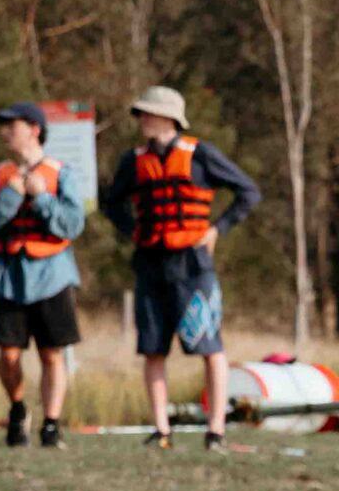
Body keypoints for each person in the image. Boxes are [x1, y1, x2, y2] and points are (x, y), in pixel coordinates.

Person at [99, 85, 258, 451]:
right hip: (150, 265)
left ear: (169, 118)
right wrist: (132, 230)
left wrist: (218, 229)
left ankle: (216, 431)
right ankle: (161, 431)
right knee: (153, 349)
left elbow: (248, 191)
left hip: (193, 266)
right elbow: (112, 203)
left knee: (209, 346)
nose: (142, 120)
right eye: (140, 113)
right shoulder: (133, 161)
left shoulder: (201, 155)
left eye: (148, 113)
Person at [0, 101, 90, 450]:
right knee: (8, 354)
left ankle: (51, 424)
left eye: (11, 125)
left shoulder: (62, 174)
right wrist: (11, 197)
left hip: (53, 275)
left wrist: (42, 198)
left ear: (34, 129)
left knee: (52, 354)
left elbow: (72, 224)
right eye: (2, 126)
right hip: (7, 276)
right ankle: (18, 410)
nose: (4, 132)